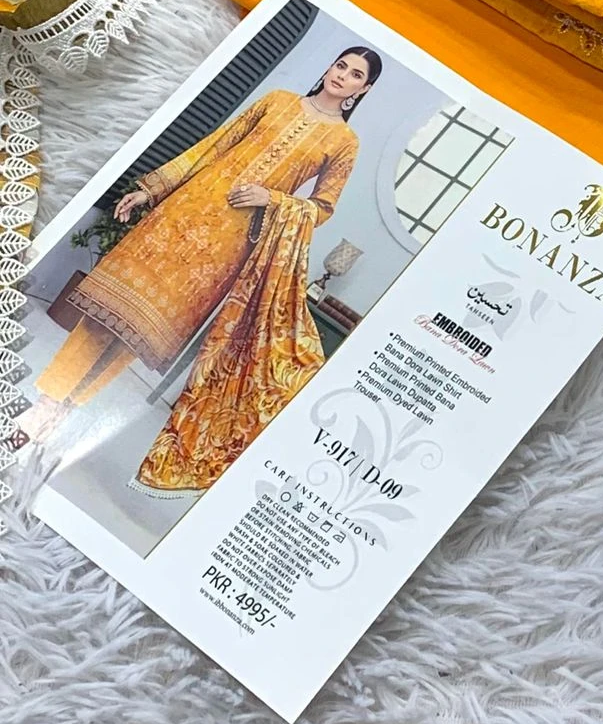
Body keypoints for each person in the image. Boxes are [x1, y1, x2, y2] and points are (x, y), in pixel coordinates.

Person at [16, 47, 381, 490]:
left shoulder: (344, 142)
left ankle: (65, 413)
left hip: (229, 245)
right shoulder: (277, 100)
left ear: (363, 89)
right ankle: (45, 404)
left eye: (355, 74)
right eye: (340, 65)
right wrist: (152, 190)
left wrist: (272, 199)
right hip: (181, 214)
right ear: (329, 66)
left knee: (140, 333)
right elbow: (213, 146)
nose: (343, 75)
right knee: (106, 313)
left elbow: (322, 208)